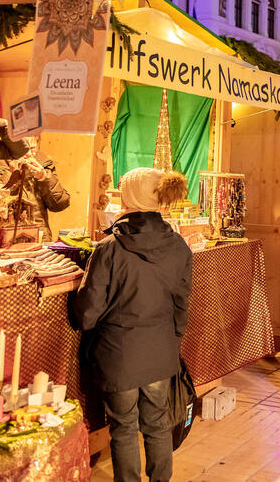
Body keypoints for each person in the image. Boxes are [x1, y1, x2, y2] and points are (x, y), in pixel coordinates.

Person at [73, 168, 192, 482]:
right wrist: (171, 341)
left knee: (123, 429)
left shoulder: (108, 248)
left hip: (119, 354)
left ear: (128, 197)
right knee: (158, 424)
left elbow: (87, 314)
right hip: (161, 351)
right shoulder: (179, 245)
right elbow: (182, 305)